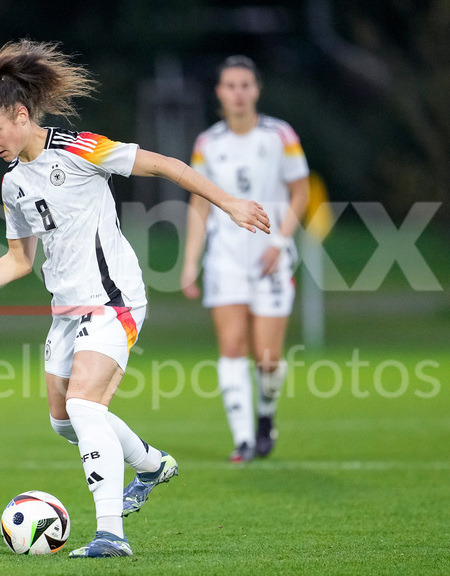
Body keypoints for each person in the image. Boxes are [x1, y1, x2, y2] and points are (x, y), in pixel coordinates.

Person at [0, 40, 270, 558]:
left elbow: (166, 165)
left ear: (21, 114)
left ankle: (111, 535)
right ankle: (149, 464)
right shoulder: (13, 185)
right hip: (66, 310)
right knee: (64, 420)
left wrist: (229, 202)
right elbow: (18, 261)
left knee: (83, 405)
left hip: (113, 298)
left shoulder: (79, 150)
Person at [180, 56, 310, 464]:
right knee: (232, 344)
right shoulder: (207, 143)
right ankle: (242, 440)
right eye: (230, 86)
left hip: (270, 259)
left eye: (245, 85)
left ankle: (265, 418)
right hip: (225, 260)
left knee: (267, 358)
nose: (238, 93)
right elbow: (198, 206)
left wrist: (281, 241)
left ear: (257, 90)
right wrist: (190, 263)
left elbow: (300, 194)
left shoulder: (279, 135)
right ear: (219, 92)